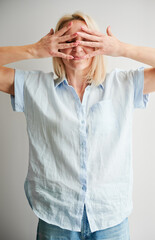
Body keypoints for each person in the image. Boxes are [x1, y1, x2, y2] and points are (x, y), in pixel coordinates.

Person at [0, 10, 154, 240]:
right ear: (57, 46)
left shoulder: (122, 84)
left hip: (110, 219)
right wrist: (34, 49)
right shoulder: (34, 86)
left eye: (86, 39)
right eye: (69, 40)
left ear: (98, 44)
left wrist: (120, 48)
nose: (77, 46)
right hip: (56, 219)